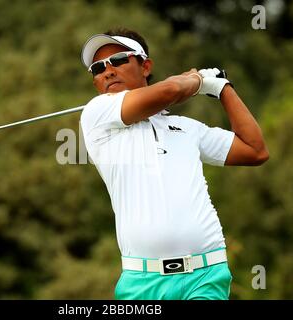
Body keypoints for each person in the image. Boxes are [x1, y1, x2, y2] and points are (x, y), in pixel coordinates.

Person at [79, 28, 269, 300]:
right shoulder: (96, 115)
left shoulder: (185, 128)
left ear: (145, 66)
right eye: (98, 68)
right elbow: (169, 90)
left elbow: (255, 150)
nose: (107, 71)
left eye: (119, 60)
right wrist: (196, 79)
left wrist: (222, 88)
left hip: (206, 273)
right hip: (142, 283)